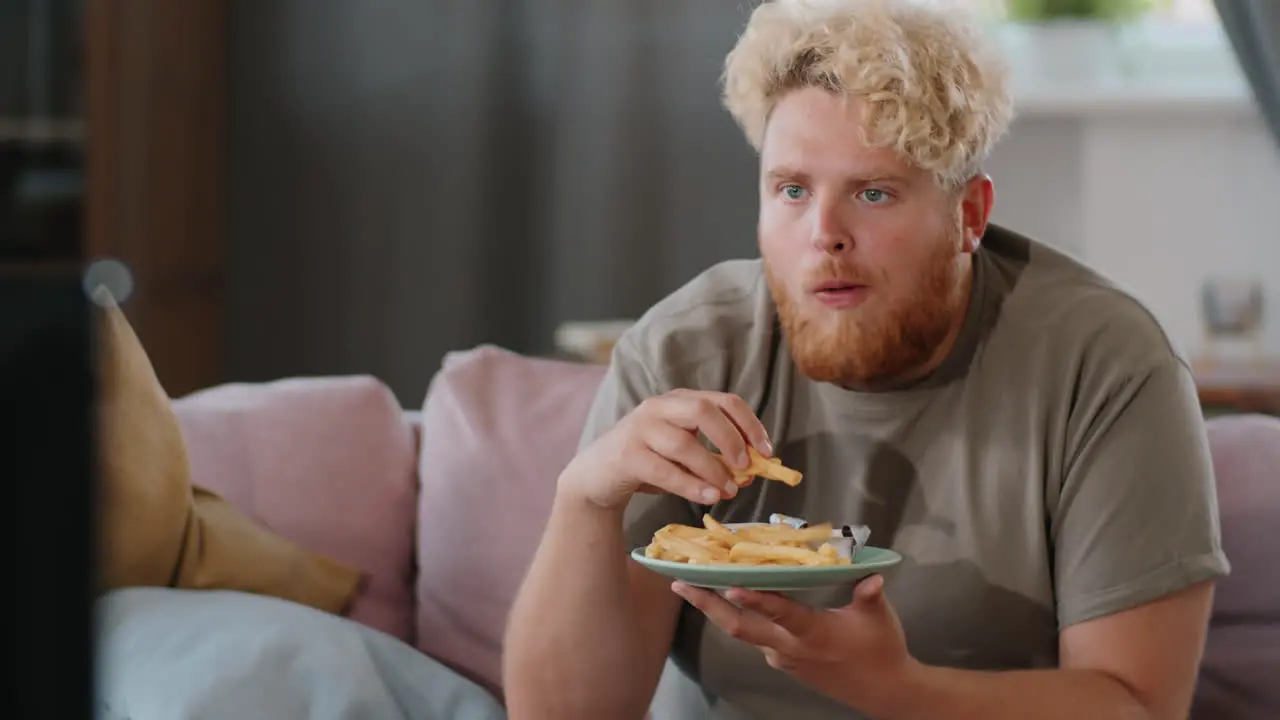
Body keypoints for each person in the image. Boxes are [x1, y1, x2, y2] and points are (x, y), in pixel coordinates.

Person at [503, 0, 1230, 718]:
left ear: (969, 216)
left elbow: (1137, 706)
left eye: (874, 193)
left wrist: (895, 689)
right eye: (791, 190)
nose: (825, 235)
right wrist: (584, 501)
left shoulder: (1107, 366)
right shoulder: (684, 348)